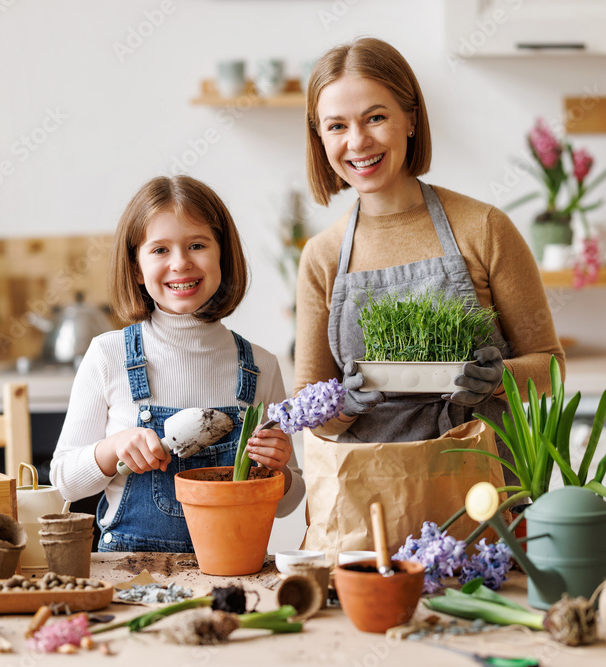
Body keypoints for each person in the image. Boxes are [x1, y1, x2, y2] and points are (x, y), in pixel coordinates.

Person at [295, 37, 564, 462]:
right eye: (337, 126)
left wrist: (498, 378)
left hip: (485, 483)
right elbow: (308, 407)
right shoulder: (321, 255)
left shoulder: (484, 228)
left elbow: (551, 367)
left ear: (411, 119)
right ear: (321, 138)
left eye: (376, 117)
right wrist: (343, 404)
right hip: (376, 492)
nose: (358, 141)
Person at [51, 175, 304, 552]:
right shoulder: (108, 356)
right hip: (131, 578)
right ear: (136, 268)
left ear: (222, 254)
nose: (180, 263)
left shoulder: (261, 366)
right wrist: (113, 448)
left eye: (197, 245)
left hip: (231, 572)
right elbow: (65, 482)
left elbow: (287, 503)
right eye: (159, 250)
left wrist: (279, 470)